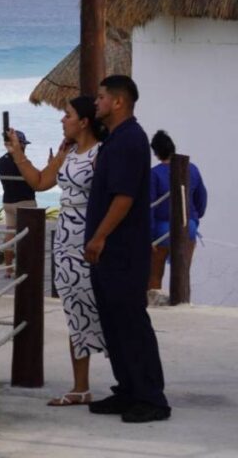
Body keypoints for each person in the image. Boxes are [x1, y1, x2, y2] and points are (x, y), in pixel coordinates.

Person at [6, 96, 106, 407]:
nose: (63, 120)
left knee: (101, 308)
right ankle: (81, 386)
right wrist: (18, 153)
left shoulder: (102, 153)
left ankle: (130, 379)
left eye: (68, 115)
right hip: (65, 237)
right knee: (75, 310)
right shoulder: (68, 151)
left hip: (90, 236)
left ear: (85, 122)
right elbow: (40, 182)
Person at [84, 75, 170, 423]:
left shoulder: (130, 140)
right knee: (114, 323)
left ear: (118, 102)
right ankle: (129, 389)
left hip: (122, 251)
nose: (97, 103)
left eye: (102, 97)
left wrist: (99, 236)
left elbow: (124, 197)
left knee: (131, 322)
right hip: (110, 254)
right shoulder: (115, 139)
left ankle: (151, 397)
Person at [148, 130, 208, 306]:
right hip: (187, 227)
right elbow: (201, 199)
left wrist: (149, 237)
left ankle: (155, 311)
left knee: (154, 276)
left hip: (160, 231)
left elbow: (149, 207)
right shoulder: (193, 169)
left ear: (156, 152)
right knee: (183, 273)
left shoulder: (154, 174)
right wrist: (195, 220)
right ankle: (182, 303)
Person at [0, 130, 37, 276]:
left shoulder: (1, 161)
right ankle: (26, 267)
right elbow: (34, 180)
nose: (25, 148)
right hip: (24, 201)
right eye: (23, 145)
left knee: (10, 234)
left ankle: (8, 269)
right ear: (18, 144)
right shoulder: (22, 162)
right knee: (29, 235)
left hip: (8, 201)